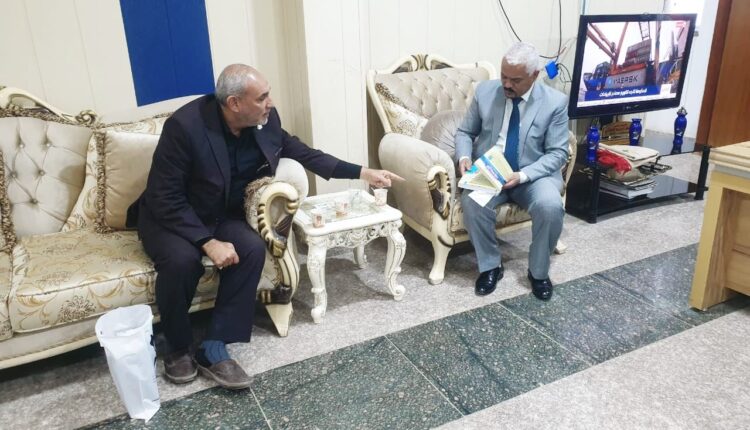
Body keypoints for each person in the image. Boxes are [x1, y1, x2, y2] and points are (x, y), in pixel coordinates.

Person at [126, 64, 403, 390]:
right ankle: (177, 347)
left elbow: (304, 153)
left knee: (252, 249)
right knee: (181, 261)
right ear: (234, 103)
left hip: (219, 214)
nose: (270, 103)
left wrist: (364, 172)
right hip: (171, 216)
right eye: (262, 97)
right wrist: (207, 243)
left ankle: (213, 346)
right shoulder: (185, 127)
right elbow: (165, 196)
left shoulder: (265, 120)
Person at [455, 42, 569, 300]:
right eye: (503, 76)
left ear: (534, 75)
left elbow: (557, 153)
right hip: (492, 171)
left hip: (532, 174)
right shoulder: (485, 92)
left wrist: (523, 175)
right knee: (472, 202)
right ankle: (491, 266)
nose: (506, 84)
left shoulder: (555, 103)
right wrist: (464, 156)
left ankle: (538, 272)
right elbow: (465, 132)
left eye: (515, 80)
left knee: (550, 207)